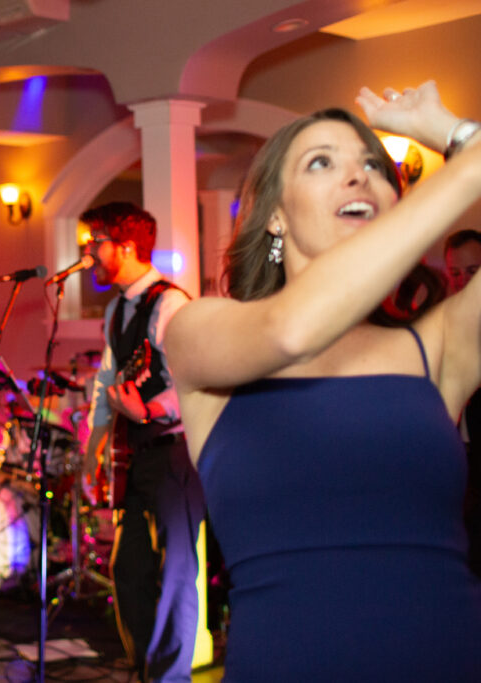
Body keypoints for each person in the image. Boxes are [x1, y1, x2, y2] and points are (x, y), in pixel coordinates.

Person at [163, 82, 481, 681]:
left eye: (372, 166)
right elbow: (291, 329)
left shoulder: (439, 342)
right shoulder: (200, 330)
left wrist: (454, 135)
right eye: (321, 163)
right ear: (276, 216)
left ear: (394, 202)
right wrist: (467, 172)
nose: (357, 176)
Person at [81, 203, 204, 682]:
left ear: (127, 246)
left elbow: (192, 380)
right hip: (132, 455)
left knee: (175, 575)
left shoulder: (172, 304)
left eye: (97, 241)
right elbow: (108, 378)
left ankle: (172, 677)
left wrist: (150, 409)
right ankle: (144, 669)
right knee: (128, 569)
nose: (89, 252)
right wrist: (96, 437)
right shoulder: (116, 307)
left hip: (175, 451)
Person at [444, 229, 481, 576]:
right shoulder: (445, 325)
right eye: (456, 273)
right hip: (460, 462)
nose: (462, 281)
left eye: (472, 272)